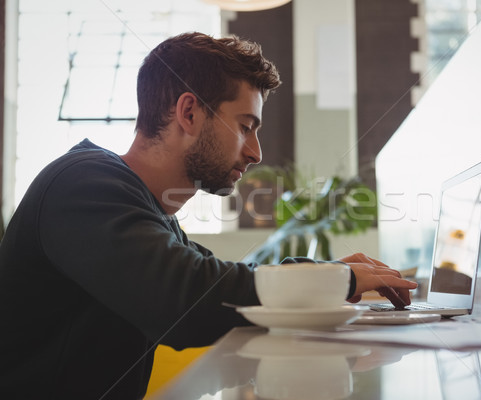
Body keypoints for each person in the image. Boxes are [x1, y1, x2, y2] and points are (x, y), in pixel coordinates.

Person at [0, 32, 417, 399]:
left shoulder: (145, 208)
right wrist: (334, 280)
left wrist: (323, 275)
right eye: (245, 125)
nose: (256, 152)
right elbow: (187, 300)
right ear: (189, 113)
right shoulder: (83, 185)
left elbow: (220, 276)